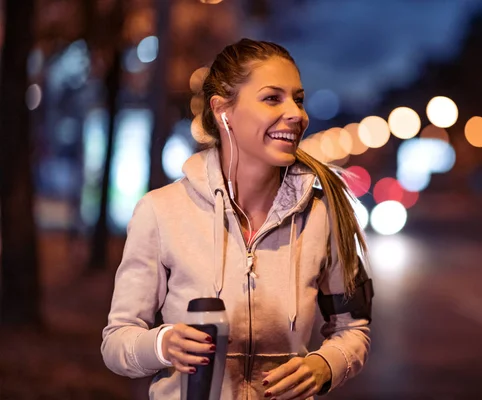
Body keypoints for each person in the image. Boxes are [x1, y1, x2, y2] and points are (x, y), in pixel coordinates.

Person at [101, 38, 374, 400]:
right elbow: (117, 341)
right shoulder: (160, 211)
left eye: (299, 99)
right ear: (222, 111)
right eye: (272, 98)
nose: (297, 114)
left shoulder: (324, 215)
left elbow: (353, 328)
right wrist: (162, 343)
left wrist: (325, 365)